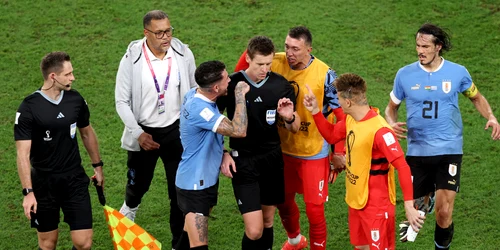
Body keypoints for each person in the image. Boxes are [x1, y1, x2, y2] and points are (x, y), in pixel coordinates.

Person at [385, 23, 500, 249]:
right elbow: (391, 107)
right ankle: (425, 201)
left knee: (444, 212)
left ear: (438, 47)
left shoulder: (458, 72)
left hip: (449, 149)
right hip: (417, 150)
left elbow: (476, 97)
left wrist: (491, 117)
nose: (420, 50)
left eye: (425, 46)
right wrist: (390, 122)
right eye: (418, 45)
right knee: (415, 214)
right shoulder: (404, 74)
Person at [235, 26, 344, 250]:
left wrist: (340, 151)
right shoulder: (274, 61)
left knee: (314, 209)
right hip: (280, 150)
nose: (289, 53)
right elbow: (240, 71)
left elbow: (343, 116)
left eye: (295, 48)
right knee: (282, 202)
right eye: (286, 47)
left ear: (309, 50)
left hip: (313, 150)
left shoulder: (325, 74)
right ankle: (295, 240)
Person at [303, 73, 424, 250]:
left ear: (349, 102)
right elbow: (331, 135)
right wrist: (315, 111)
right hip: (356, 200)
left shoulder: (381, 132)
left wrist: (409, 206)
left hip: (377, 205)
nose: (338, 103)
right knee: (361, 247)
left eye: (339, 99)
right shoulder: (352, 119)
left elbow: (403, 167)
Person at [115, 10, 197, 248]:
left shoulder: (183, 53)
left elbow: (193, 90)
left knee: (178, 192)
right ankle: (129, 209)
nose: (166, 37)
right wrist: (138, 133)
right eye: (159, 32)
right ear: (146, 33)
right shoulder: (131, 59)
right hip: (144, 132)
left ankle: (177, 243)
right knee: (138, 185)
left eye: (168, 31)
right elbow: (121, 101)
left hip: (176, 131)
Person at [14, 51, 105, 250]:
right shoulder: (29, 107)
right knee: (48, 244)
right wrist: (28, 192)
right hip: (43, 184)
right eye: (68, 74)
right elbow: (22, 153)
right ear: (53, 77)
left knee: (84, 243)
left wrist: (98, 167)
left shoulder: (75, 100)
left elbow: (87, 133)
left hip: (74, 179)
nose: (73, 77)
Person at [217, 36, 301, 250]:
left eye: (268, 64)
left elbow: (294, 127)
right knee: (254, 230)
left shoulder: (281, 85)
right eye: (259, 64)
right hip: (243, 161)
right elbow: (213, 122)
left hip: (271, 159)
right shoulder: (232, 84)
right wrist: (223, 151)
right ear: (248, 58)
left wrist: (290, 116)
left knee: (267, 221)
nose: (265, 69)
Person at [175, 60, 249, 250]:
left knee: (187, 234)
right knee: (199, 245)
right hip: (194, 185)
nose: (230, 80)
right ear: (216, 87)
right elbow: (239, 130)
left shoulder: (195, 94)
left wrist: (222, 152)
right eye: (226, 79)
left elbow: (206, 135)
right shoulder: (200, 109)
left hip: (203, 180)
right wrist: (240, 94)